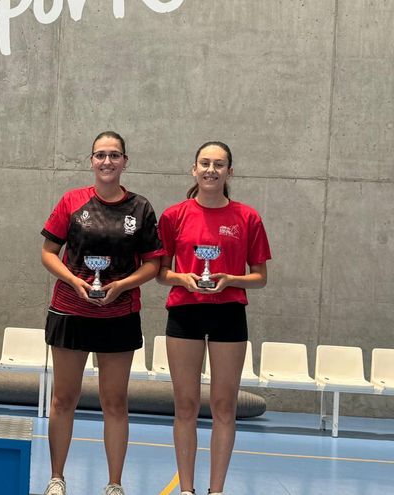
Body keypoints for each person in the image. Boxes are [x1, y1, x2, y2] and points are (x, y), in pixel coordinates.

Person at [40, 132, 164, 495]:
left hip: (119, 316)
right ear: (91, 161)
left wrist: (122, 285)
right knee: (63, 398)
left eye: (114, 155)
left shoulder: (140, 208)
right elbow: (48, 252)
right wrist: (76, 281)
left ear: (125, 161)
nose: (107, 162)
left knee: (115, 401)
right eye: (100, 155)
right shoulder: (72, 201)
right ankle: (57, 478)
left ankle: (114, 484)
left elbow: (154, 265)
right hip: (70, 311)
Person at [156, 141, 271, 495]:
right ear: (194, 169)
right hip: (185, 314)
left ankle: (216, 490)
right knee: (186, 405)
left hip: (229, 315)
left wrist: (230, 279)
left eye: (218, 164)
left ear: (229, 172)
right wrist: (183, 277)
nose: (211, 169)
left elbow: (260, 277)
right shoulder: (174, 215)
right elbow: (161, 272)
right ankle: (187, 489)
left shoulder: (247, 217)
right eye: (204, 163)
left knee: (224, 406)